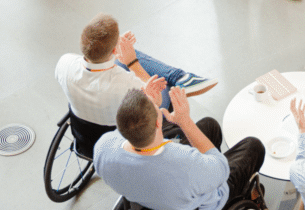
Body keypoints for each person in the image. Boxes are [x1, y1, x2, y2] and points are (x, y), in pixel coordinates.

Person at [94, 87, 266, 210]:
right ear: (158, 123)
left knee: (209, 125)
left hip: (148, 197)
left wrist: (145, 105)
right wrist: (185, 121)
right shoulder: (184, 162)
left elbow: (127, 126)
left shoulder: (103, 147)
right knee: (254, 146)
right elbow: (221, 169)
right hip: (204, 199)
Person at [56, 13, 216, 127]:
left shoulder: (64, 63)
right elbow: (156, 100)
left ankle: (181, 77)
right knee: (160, 84)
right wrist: (132, 62)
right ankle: (180, 79)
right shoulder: (125, 84)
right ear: (112, 50)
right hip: (126, 126)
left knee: (125, 55)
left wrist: (117, 52)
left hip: (85, 127)